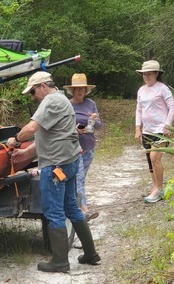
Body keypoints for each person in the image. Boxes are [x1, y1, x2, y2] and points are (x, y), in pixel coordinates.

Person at [6, 71, 100, 273]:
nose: (33, 96)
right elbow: (51, 135)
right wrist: (28, 152)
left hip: (56, 165)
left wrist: (15, 139)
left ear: (42, 86)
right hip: (69, 161)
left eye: (32, 92)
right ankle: (91, 254)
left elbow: (31, 128)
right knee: (72, 207)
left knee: (53, 211)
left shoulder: (50, 101)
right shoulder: (62, 100)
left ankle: (59, 262)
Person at [134, 60, 174, 203]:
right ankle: (155, 187)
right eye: (144, 74)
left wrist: (167, 125)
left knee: (155, 158)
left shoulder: (162, 88)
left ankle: (160, 189)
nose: (146, 76)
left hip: (160, 130)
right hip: (147, 130)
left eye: (149, 74)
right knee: (149, 160)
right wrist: (137, 128)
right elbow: (139, 109)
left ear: (156, 74)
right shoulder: (141, 90)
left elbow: (172, 107)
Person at [63, 73, 102, 222]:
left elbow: (98, 126)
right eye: (77, 89)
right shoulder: (67, 104)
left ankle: (73, 204)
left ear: (86, 90)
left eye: (82, 89)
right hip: (74, 147)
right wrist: (74, 129)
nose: (80, 91)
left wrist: (94, 119)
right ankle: (84, 210)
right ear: (72, 90)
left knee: (81, 178)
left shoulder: (91, 103)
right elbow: (62, 126)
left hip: (89, 145)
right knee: (78, 178)